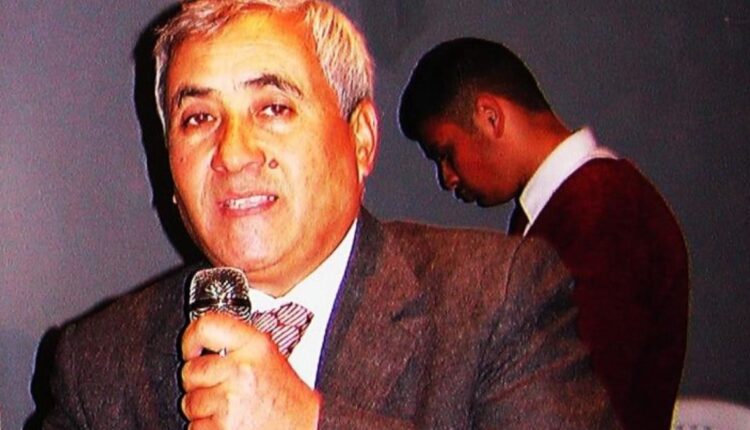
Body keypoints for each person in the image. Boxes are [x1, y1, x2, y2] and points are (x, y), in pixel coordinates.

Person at [38, 3, 619, 429]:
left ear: (361, 139)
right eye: (198, 118)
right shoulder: (98, 363)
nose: (233, 152)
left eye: (273, 107)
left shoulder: (495, 298)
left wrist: (309, 423)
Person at [399, 37, 689, 430]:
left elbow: (580, 400)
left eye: (446, 153)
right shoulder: (569, 209)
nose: (447, 178)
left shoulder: (603, 210)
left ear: (490, 117)